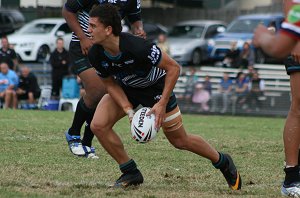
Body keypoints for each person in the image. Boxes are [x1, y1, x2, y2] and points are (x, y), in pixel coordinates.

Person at [88, 4, 242, 190]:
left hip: (156, 89)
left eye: (92, 26)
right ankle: (130, 172)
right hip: (127, 87)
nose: (88, 30)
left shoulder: (138, 47)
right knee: (98, 125)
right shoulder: (95, 53)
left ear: (108, 29)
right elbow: (110, 83)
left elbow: (174, 68)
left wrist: (161, 103)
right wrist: (128, 110)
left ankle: (223, 161)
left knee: (179, 141)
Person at [62, 0, 146, 158]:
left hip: (107, 48)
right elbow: (67, 10)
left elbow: (135, 18)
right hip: (83, 47)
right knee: (97, 90)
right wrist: (82, 37)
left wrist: (139, 30)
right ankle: (73, 133)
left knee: (105, 93)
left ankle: (86, 143)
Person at [253, 0, 300, 196]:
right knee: (299, 106)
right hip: (295, 40)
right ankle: (291, 176)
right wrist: (296, 41)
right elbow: (293, 8)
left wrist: (264, 37)